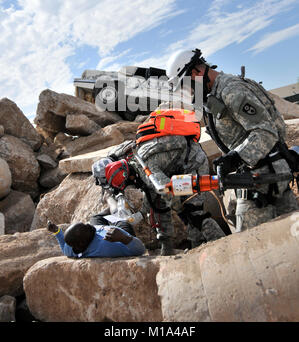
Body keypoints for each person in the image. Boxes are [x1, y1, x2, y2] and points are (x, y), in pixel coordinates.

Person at [167, 48, 299, 233]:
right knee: (291, 236)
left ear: (197, 71)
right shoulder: (216, 94)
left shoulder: (231, 90)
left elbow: (265, 132)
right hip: (265, 174)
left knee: (250, 242)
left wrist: (236, 157)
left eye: (186, 85)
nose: (188, 92)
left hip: (262, 178)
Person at [104, 109, 225, 256]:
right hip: (183, 162)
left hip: (194, 163)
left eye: (128, 184)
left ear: (128, 176)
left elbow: (167, 190)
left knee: (193, 212)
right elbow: (153, 195)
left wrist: (180, 209)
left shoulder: (145, 169)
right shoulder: (135, 158)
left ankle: (223, 245)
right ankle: (183, 248)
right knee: (162, 205)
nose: (132, 185)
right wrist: (141, 213)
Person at [47, 219, 145, 258]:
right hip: (116, 233)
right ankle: (111, 203)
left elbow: (65, 249)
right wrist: (124, 238)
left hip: (99, 228)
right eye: (85, 228)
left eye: (85, 225)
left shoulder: (72, 248)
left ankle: (109, 203)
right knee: (121, 221)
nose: (88, 226)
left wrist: (57, 232)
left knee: (95, 218)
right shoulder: (107, 245)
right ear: (82, 242)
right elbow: (140, 250)